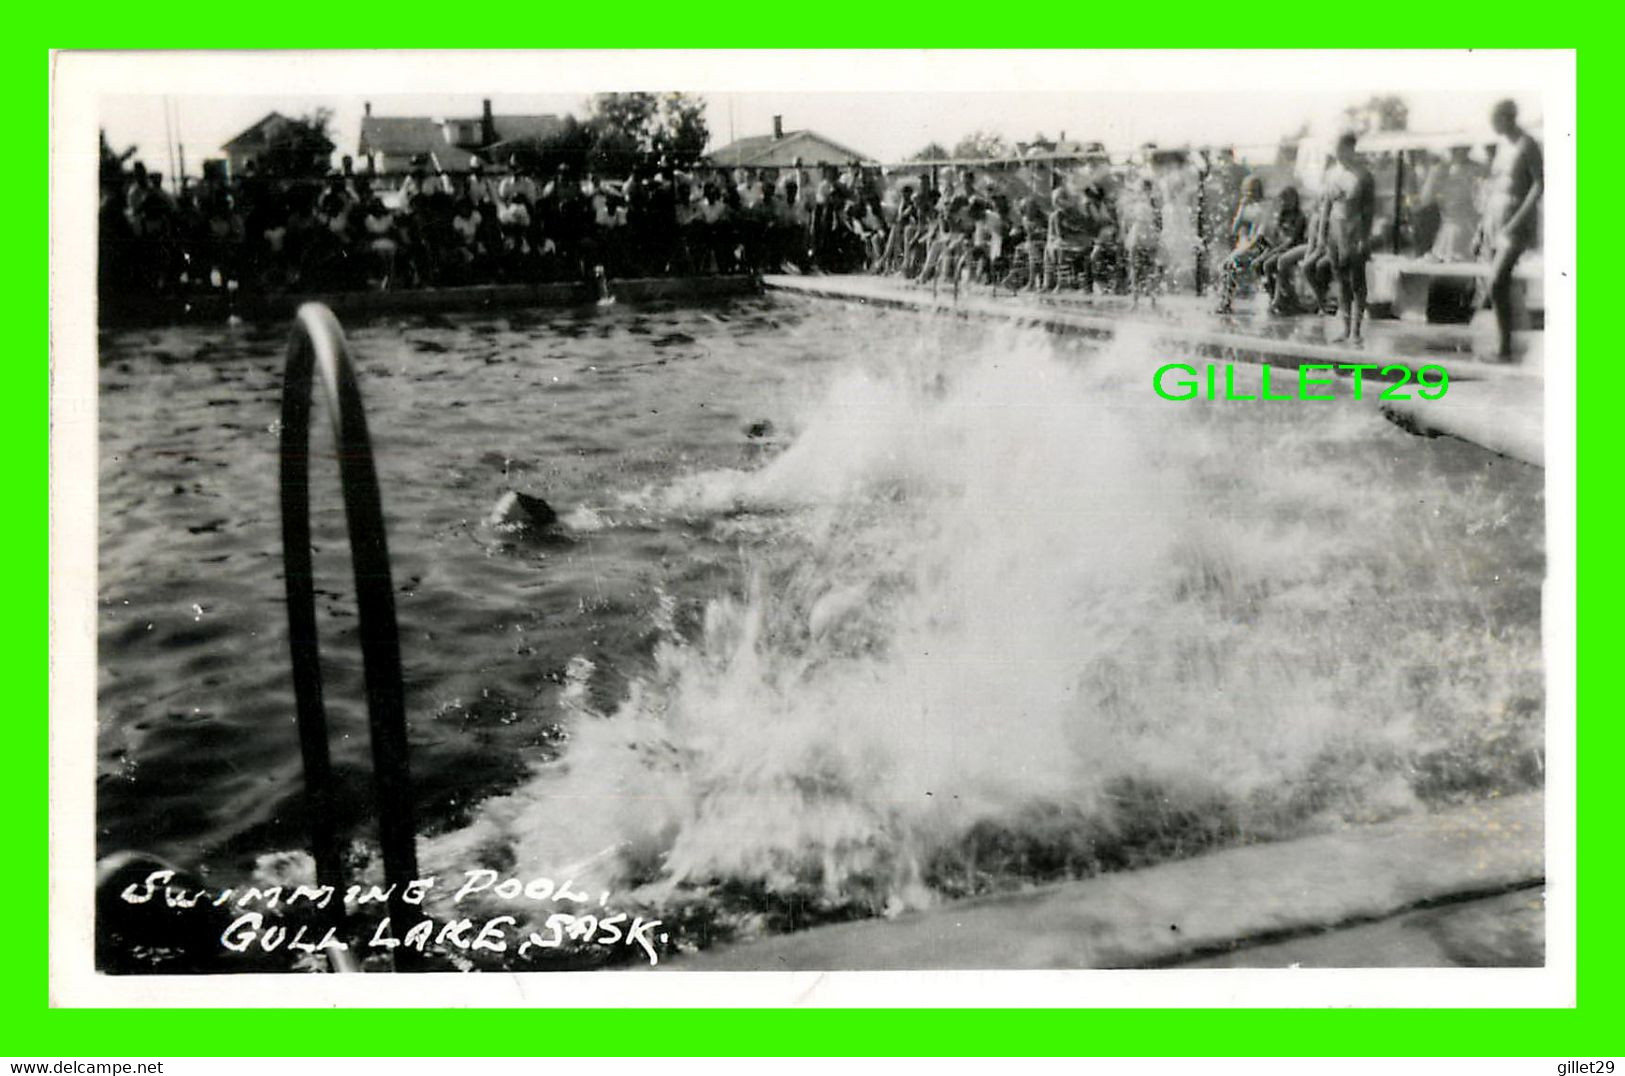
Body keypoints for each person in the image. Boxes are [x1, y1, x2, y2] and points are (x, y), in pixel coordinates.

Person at [1483, 99, 1543, 360]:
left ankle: (1505, 346)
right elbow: (1495, 186)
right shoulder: (1501, 146)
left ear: (1509, 118)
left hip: (1516, 220)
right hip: (1495, 218)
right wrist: (1481, 227)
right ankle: (1504, 343)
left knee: (1497, 281)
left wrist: (1517, 220)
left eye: (1496, 119)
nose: (1493, 125)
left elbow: (1539, 185)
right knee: (1497, 283)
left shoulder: (1528, 144)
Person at [1324, 133, 1376, 342]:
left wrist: (1364, 236)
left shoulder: (1363, 175)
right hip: (1335, 229)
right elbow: (1326, 205)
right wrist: (1321, 235)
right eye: (1335, 147)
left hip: (1355, 228)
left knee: (1357, 281)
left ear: (1350, 148)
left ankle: (1356, 330)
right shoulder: (1331, 173)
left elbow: (1369, 209)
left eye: (1341, 147)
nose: (1337, 151)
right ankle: (1345, 328)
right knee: (1340, 280)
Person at [1214, 175, 1271, 314]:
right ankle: (1225, 299)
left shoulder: (1263, 208)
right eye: (1247, 190)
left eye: (1252, 190)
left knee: (1230, 263)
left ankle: (1226, 301)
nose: (1249, 193)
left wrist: (1245, 248)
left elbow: (1260, 235)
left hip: (1257, 247)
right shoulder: (1246, 207)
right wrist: (1241, 210)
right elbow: (1234, 229)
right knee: (1225, 265)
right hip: (1244, 245)